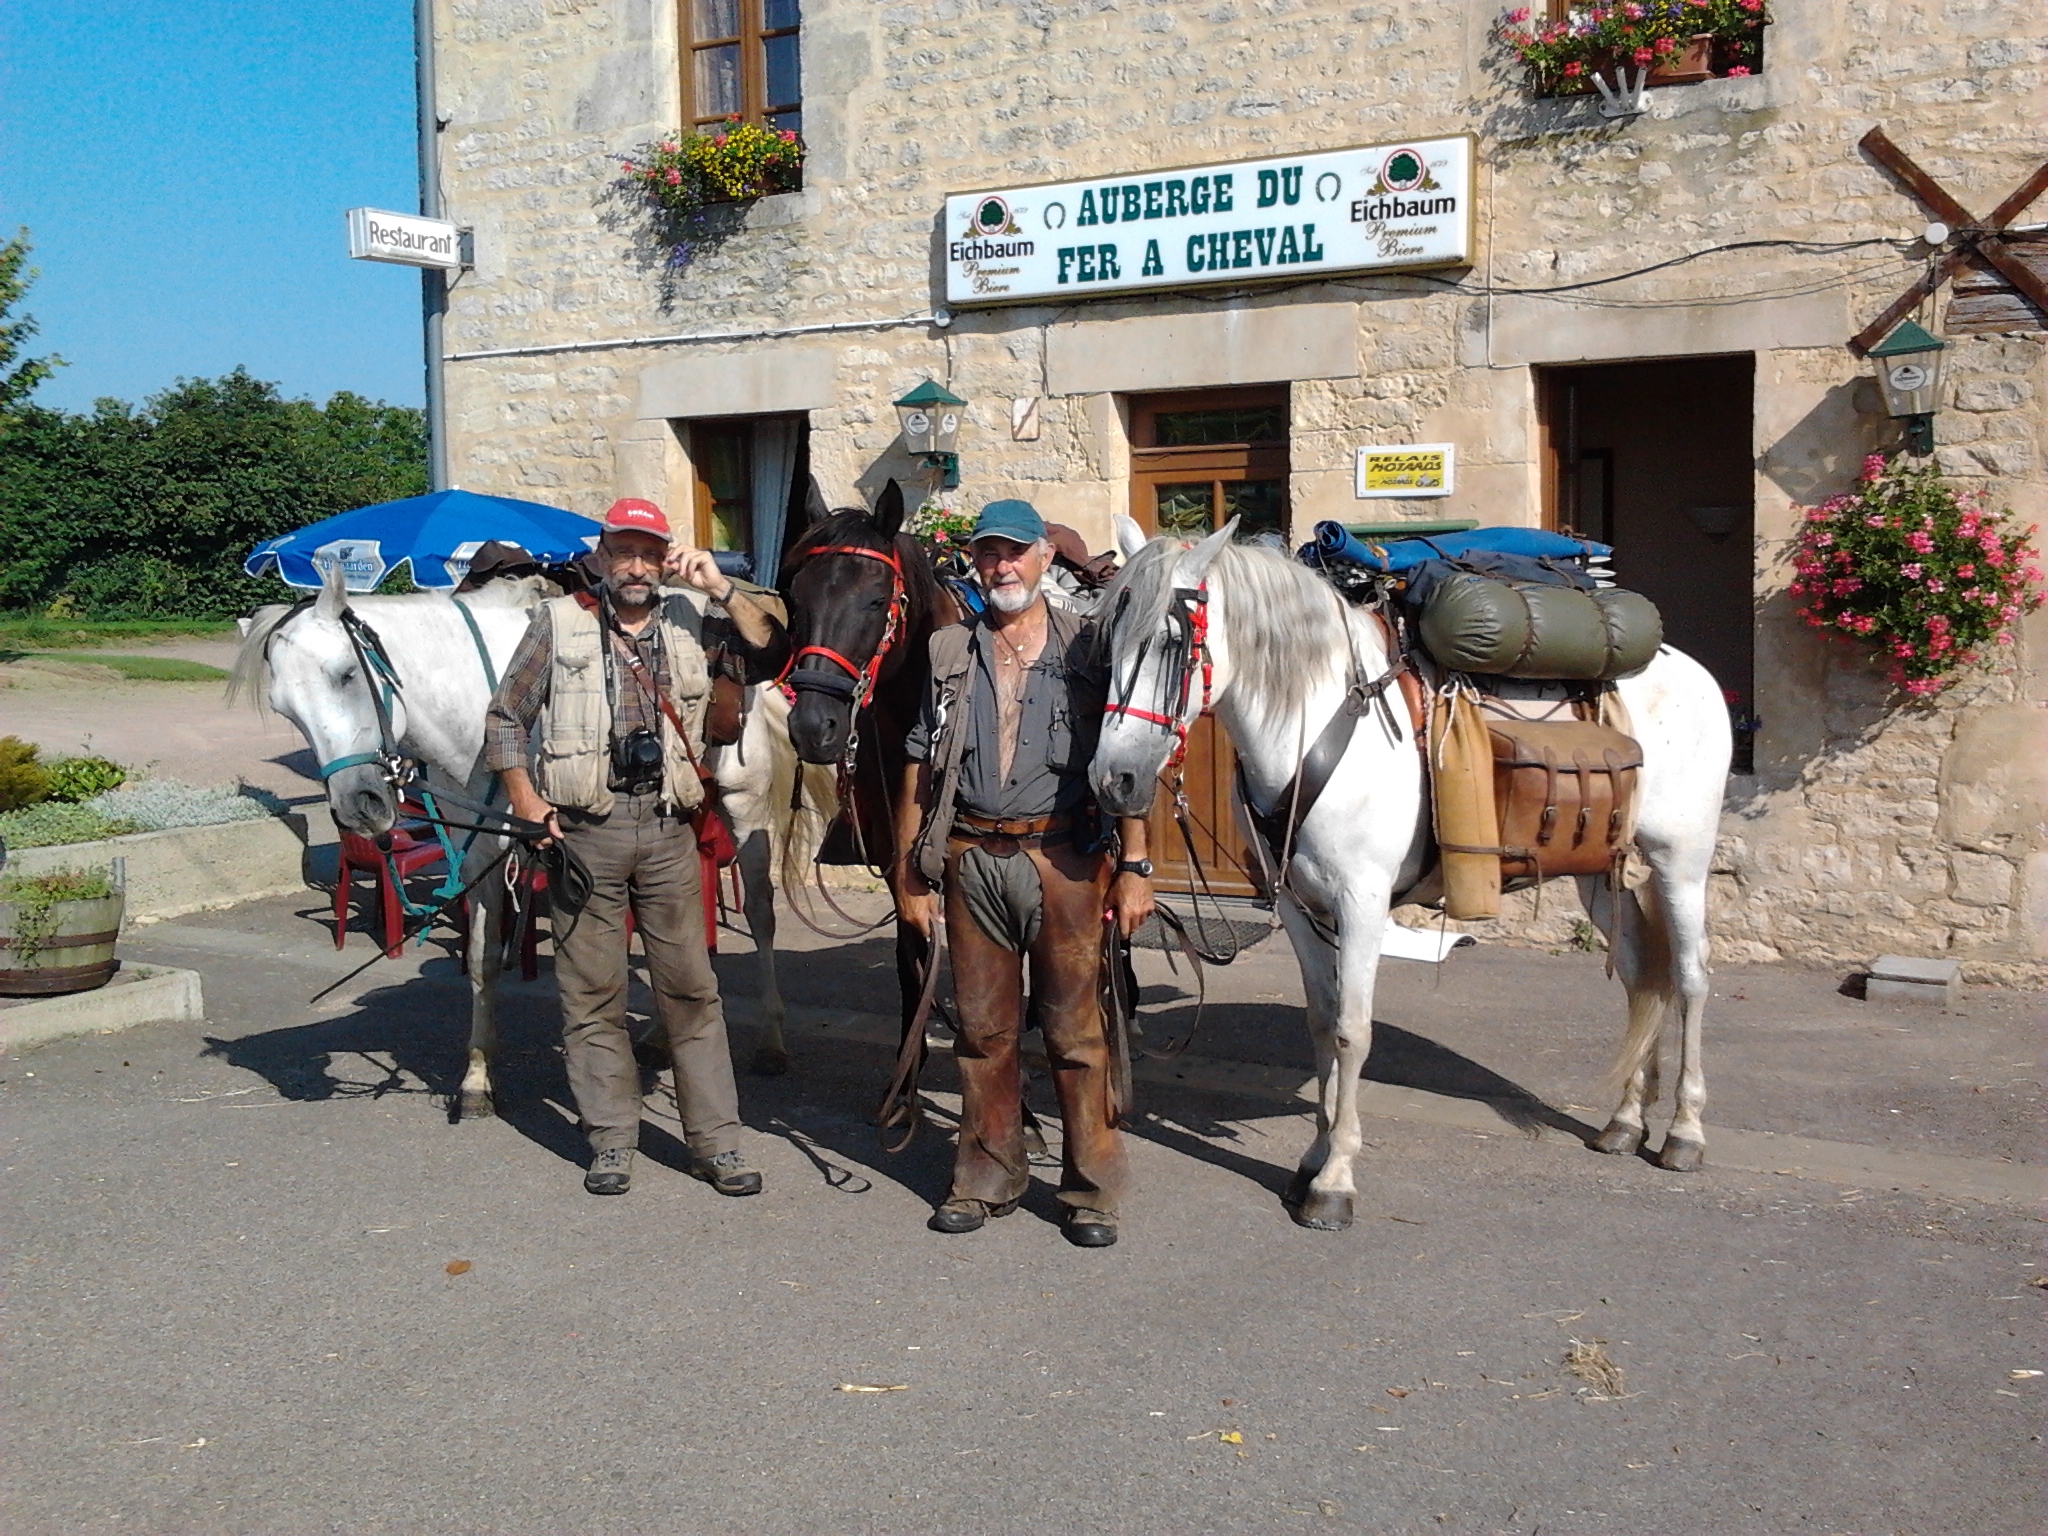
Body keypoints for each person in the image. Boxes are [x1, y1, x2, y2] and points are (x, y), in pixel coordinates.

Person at [484, 498, 789, 1196]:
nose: (636, 566)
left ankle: (717, 1144)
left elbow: (772, 647)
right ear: (602, 552)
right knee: (593, 994)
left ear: (665, 558)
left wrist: (717, 585)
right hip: (585, 829)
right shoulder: (557, 623)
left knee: (691, 991)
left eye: (650, 552)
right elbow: (505, 717)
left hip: (667, 828)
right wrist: (527, 799)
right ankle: (612, 1140)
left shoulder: (694, 618)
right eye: (623, 550)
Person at [895, 499, 1155, 1247]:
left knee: (1076, 1032)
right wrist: (910, 872)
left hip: (1065, 859)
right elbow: (918, 758)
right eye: (987, 554)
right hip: (970, 857)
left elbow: (1128, 761)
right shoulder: (949, 651)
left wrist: (1136, 866)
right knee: (982, 1032)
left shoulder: (1089, 648)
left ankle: (1091, 1191)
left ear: (1045, 557)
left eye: (1014, 552)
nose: (1000, 566)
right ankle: (985, 1178)